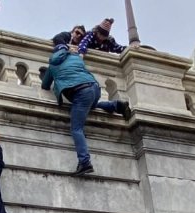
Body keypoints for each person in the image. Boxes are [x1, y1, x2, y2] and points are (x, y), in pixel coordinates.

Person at [41, 38, 131, 176]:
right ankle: (117, 105)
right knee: (91, 106)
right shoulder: (75, 57)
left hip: (80, 92)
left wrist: (47, 76)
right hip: (94, 87)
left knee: (76, 128)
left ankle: (84, 162)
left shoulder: (53, 64)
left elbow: (45, 85)